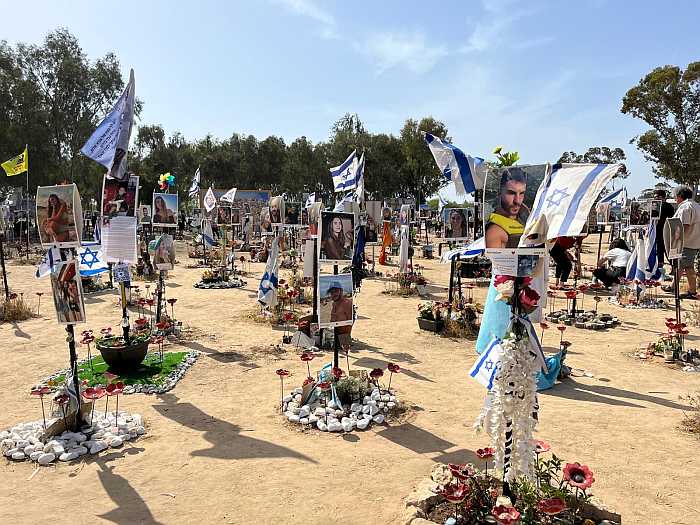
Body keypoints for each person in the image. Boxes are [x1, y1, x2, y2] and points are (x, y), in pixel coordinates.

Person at [485, 169, 529, 248]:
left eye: (521, 193)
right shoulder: (495, 231)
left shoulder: (525, 218)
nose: (517, 201)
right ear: (500, 193)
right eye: (511, 193)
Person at [672, 185, 700, 299]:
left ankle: (691, 291)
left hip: (687, 241)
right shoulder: (696, 205)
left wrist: (677, 239)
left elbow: (685, 225)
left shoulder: (686, 207)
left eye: (675, 196)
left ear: (679, 196)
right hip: (694, 241)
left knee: (684, 266)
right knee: (684, 265)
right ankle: (674, 286)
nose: (675, 199)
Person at [655, 189, 675, 268]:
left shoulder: (663, 206)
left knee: (664, 251)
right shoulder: (669, 206)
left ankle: (662, 268)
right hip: (663, 231)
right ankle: (670, 267)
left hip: (663, 231)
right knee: (663, 251)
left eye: (656, 197)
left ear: (661, 197)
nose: (655, 199)